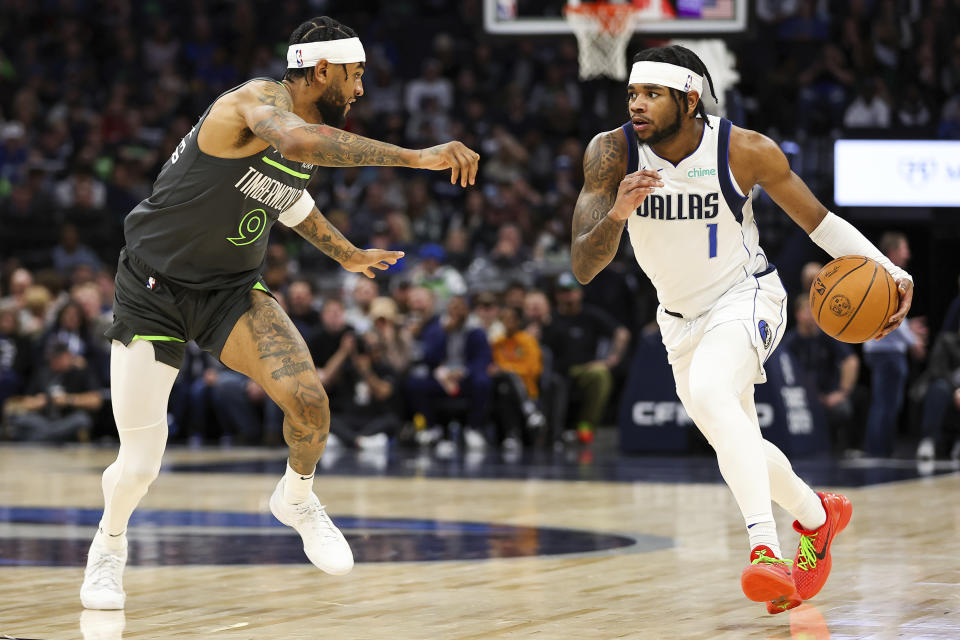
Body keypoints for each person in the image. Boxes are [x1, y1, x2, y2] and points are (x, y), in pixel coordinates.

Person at [80, 15, 479, 611]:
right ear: (323, 70)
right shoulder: (257, 101)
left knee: (311, 402)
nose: (362, 89)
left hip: (231, 291)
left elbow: (289, 199)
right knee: (140, 464)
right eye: (357, 75)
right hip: (153, 289)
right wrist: (419, 159)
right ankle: (108, 548)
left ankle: (296, 495)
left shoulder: (305, 130)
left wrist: (348, 255)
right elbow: (292, 145)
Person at [570, 45, 912, 614]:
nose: (637, 105)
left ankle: (765, 552)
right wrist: (618, 213)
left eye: (652, 94)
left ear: (689, 98)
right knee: (738, 442)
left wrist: (893, 271)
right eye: (632, 94)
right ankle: (819, 519)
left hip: (745, 294)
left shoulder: (744, 150)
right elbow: (583, 266)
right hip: (678, 320)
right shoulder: (611, 153)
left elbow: (819, 224)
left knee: (709, 395)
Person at [542, 272, 630, 444]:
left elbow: (622, 333)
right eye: (562, 291)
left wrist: (611, 359)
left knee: (600, 374)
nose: (567, 295)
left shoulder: (590, 315)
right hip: (557, 371)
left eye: (570, 290)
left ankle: (585, 427)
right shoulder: (550, 319)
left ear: (579, 292)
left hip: (584, 370)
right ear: (556, 295)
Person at [860, 232, 925, 457]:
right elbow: (894, 317)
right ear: (893, 251)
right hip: (886, 352)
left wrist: (910, 333)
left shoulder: (880, 275)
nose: (908, 254)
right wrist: (914, 342)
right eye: (905, 248)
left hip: (881, 351)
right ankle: (878, 453)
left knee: (884, 403)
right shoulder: (887, 276)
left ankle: (878, 451)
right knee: (886, 405)